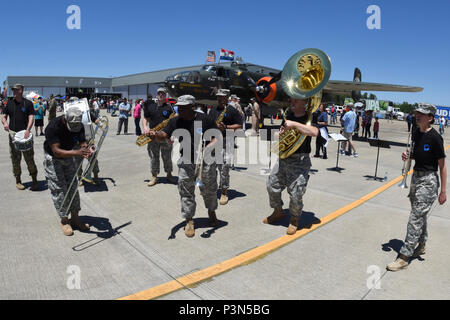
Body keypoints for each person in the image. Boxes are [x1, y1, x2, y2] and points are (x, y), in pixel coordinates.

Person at [149, 95, 220, 238]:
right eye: (178, 107)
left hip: (205, 161)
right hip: (186, 161)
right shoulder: (176, 120)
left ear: (192, 107)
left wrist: (209, 147)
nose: (179, 110)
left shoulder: (205, 119)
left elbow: (217, 137)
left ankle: (211, 211)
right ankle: (189, 220)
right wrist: (155, 135)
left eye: (182, 107)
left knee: (209, 190)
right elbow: (164, 134)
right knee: (185, 191)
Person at [387, 104, 447, 271]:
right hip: (416, 178)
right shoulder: (416, 132)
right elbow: (415, 154)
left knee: (415, 217)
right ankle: (421, 244)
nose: (418, 116)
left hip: (428, 181)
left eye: (422, 114)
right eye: (417, 113)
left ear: (430, 118)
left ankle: (404, 256)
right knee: (420, 215)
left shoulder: (435, 138)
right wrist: (407, 155)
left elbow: (442, 166)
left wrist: (443, 191)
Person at [264, 97, 319, 235]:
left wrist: (294, 124)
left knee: (296, 194)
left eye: (296, 100)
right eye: (291, 100)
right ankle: (278, 211)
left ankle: (294, 219)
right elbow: (280, 132)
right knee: (272, 186)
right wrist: (279, 134)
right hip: (284, 158)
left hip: (300, 161)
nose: (292, 102)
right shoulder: (287, 115)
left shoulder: (310, 116)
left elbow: (314, 132)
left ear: (304, 102)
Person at [43, 106, 93, 236]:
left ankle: (75, 219)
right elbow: (56, 151)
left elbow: (82, 141)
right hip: (54, 159)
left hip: (70, 155)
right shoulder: (53, 127)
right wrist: (77, 152)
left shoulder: (79, 124)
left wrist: (86, 148)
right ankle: (64, 220)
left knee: (73, 187)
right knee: (59, 189)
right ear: (65, 119)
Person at [208, 89, 243, 205]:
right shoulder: (212, 110)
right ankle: (212, 189)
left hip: (226, 142)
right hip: (213, 142)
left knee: (224, 169)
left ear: (227, 97)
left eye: (222, 97)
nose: (219, 99)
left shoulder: (232, 110)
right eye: (218, 96)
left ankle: (224, 191)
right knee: (211, 169)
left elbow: (239, 125)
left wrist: (226, 127)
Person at [1, 84, 39, 191]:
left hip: (25, 135)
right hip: (13, 135)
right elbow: (4, 116)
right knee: (15, 159)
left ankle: (34, 180)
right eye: (13, 90)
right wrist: (4, 123)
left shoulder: (28, 103)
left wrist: (28, 129)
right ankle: (18, 180)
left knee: (29, 158)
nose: (14, 92)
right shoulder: (9, 103)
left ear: (21, 90)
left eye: (16, 90)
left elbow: (31, 117)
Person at [143, 88, 175, 186]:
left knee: (167, 157)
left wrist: (172, 135)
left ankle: (169, 174)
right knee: (153, 157)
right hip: (152, 135)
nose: (161, 95)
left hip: (165, 136)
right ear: (156, 95)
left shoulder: (169, 108)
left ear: (165, 96)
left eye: (163, 94)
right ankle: (154, 176)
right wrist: (145, 128)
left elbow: (173, 122)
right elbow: (145, 118)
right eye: (159, 93)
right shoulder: (151, 106)